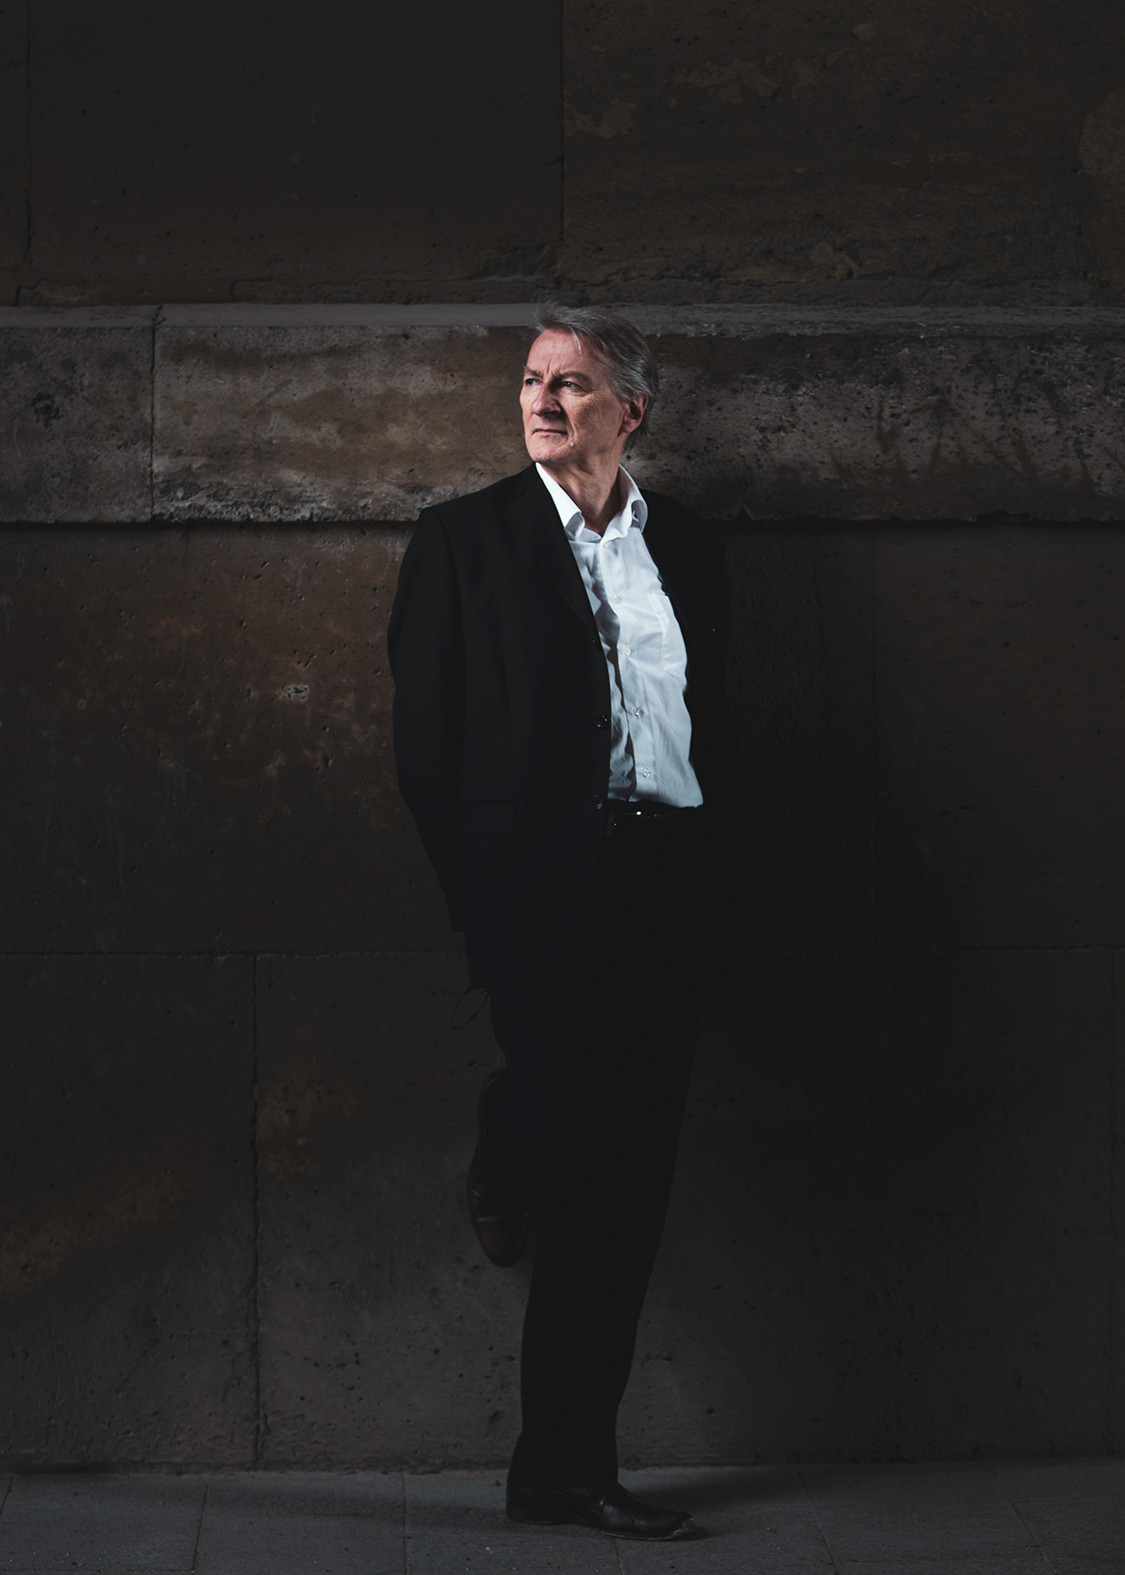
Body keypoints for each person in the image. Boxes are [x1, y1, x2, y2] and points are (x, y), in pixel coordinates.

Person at [387, 304, 739, 1541]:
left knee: (627, 1190)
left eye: (572, 383)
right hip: (542, 900)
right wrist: (485, 902)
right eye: (533, 381)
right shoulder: (463, 541)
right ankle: (513, 1131)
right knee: (578, 1154)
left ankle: (561, 1470)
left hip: (667, 893)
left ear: (630, 411)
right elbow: (427, 748)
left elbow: (721, 722)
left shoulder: (686, 545)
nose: (542, 401)